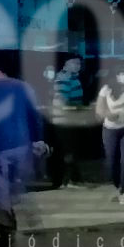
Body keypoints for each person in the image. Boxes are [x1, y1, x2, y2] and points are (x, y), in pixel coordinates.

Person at [0, 57, 48, 247]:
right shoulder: (23, 87)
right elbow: (35, 116)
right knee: (19, 186)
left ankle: (6, 234)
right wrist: (38, 139)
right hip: (22, 145)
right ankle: (33, 222)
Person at [96, 64, 124, 206]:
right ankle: (118, 185)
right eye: (123, 73)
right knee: (111, 161)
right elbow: (99, 110)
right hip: (110, 129)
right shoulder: (106, 89)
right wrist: (109, 115)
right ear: (116, 76)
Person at [49, 57, 84, 188]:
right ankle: (69, 180)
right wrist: (77, 108)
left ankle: (70, 179)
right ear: (65, 64)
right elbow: (61, 100)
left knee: (69, 149)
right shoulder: (64, 78)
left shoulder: (73, 77)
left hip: (69, 119)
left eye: (79, 63)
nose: (78, 66)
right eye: (74, 63)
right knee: (68, 150)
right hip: (64, 120)